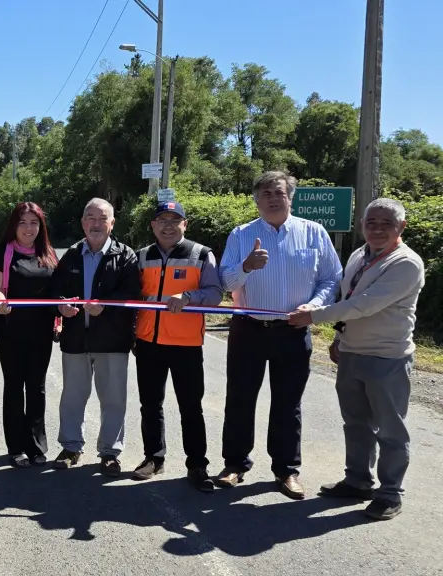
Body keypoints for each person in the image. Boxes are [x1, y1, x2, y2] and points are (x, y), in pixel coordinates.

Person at [288, 198, 425, 520]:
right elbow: (348, 298)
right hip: (352, 353)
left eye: (386, 224)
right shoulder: (360, 255)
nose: (377, 229)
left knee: (391, 430)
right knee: (356, 424)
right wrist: (339, 337)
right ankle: (358, 480)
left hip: (387, 357)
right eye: (371, 222)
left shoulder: (406, 263)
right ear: (362, 224)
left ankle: (390, 493)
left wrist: (314, 317)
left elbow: (366, 304)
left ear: (401, 227)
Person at [217, 171, 342, 500]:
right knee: (240, 399)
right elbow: (226, 283)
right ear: (256, 200)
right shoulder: (241, 234)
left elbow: (332, 278)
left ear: (291, 197)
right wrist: (245, 267)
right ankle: (234, 465)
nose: (273, 198)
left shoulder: (313, 232)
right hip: (249, 329)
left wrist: (314, 307)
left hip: (293, 329)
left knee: (288, 403)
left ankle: (286, 470)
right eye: (266, 193)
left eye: (279, 192)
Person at [131, 201, 222, 492]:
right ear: (153, 226)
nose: (168, 225)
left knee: (191, 407)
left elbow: (215, 294)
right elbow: (130, 297)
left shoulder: (201, 254)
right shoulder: (141, 256)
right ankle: (153, 458)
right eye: (162, 220)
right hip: (148, 343)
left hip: (186, 345)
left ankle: (197, 465)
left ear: (185, 224)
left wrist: (189, 296)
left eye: (175, 220)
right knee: (150, 405)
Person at [50, 198, 140, 477]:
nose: (96, 223)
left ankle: (110, 452)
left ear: (112, 223)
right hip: (75, 339)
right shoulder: (72, 254)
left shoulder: (125, 255)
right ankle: (71, 447)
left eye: (102, 218)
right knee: (73, 397)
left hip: (112, 339)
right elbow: (55, 290)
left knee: (113, 398)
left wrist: (106, 305)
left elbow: (132, 293)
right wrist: (60, 305)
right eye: (90, 217)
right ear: (82, 223)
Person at [0, 202, 59, 468]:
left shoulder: (48, 253)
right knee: (15, 387)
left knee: (37, 388)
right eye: (23, 222)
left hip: (41, 332)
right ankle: (16, 448)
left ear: (41, 226)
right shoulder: (2, 254)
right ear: (13, 226)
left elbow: (57, 290)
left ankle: (37, 446)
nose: (29, 228)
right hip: (10, 332)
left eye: (34, 223)